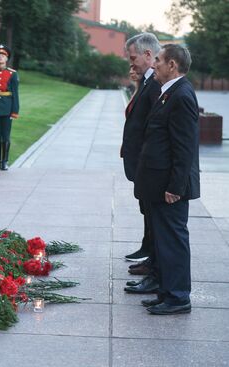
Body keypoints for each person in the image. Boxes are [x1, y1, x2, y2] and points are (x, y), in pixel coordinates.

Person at [134, 44, 200, 315]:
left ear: (172, 65)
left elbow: (185, 148)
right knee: (163, 242)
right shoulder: (168, 92)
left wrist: (175, 186)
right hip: (158, 184)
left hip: (170, 187)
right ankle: (166, 292)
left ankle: (178, 297)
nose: (154, 65)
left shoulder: (181, 95)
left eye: (158, 61)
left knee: (172, 241)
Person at [120, 34, 162, 298]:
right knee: (147, 212)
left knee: (155, 217)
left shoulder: (156, 84)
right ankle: (150, 257)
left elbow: (153, 127)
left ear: (148, 55)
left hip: (149, 164)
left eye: (133, 57)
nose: (130, 63)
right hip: (140, 161)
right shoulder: (145, 82)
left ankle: (155, 268)